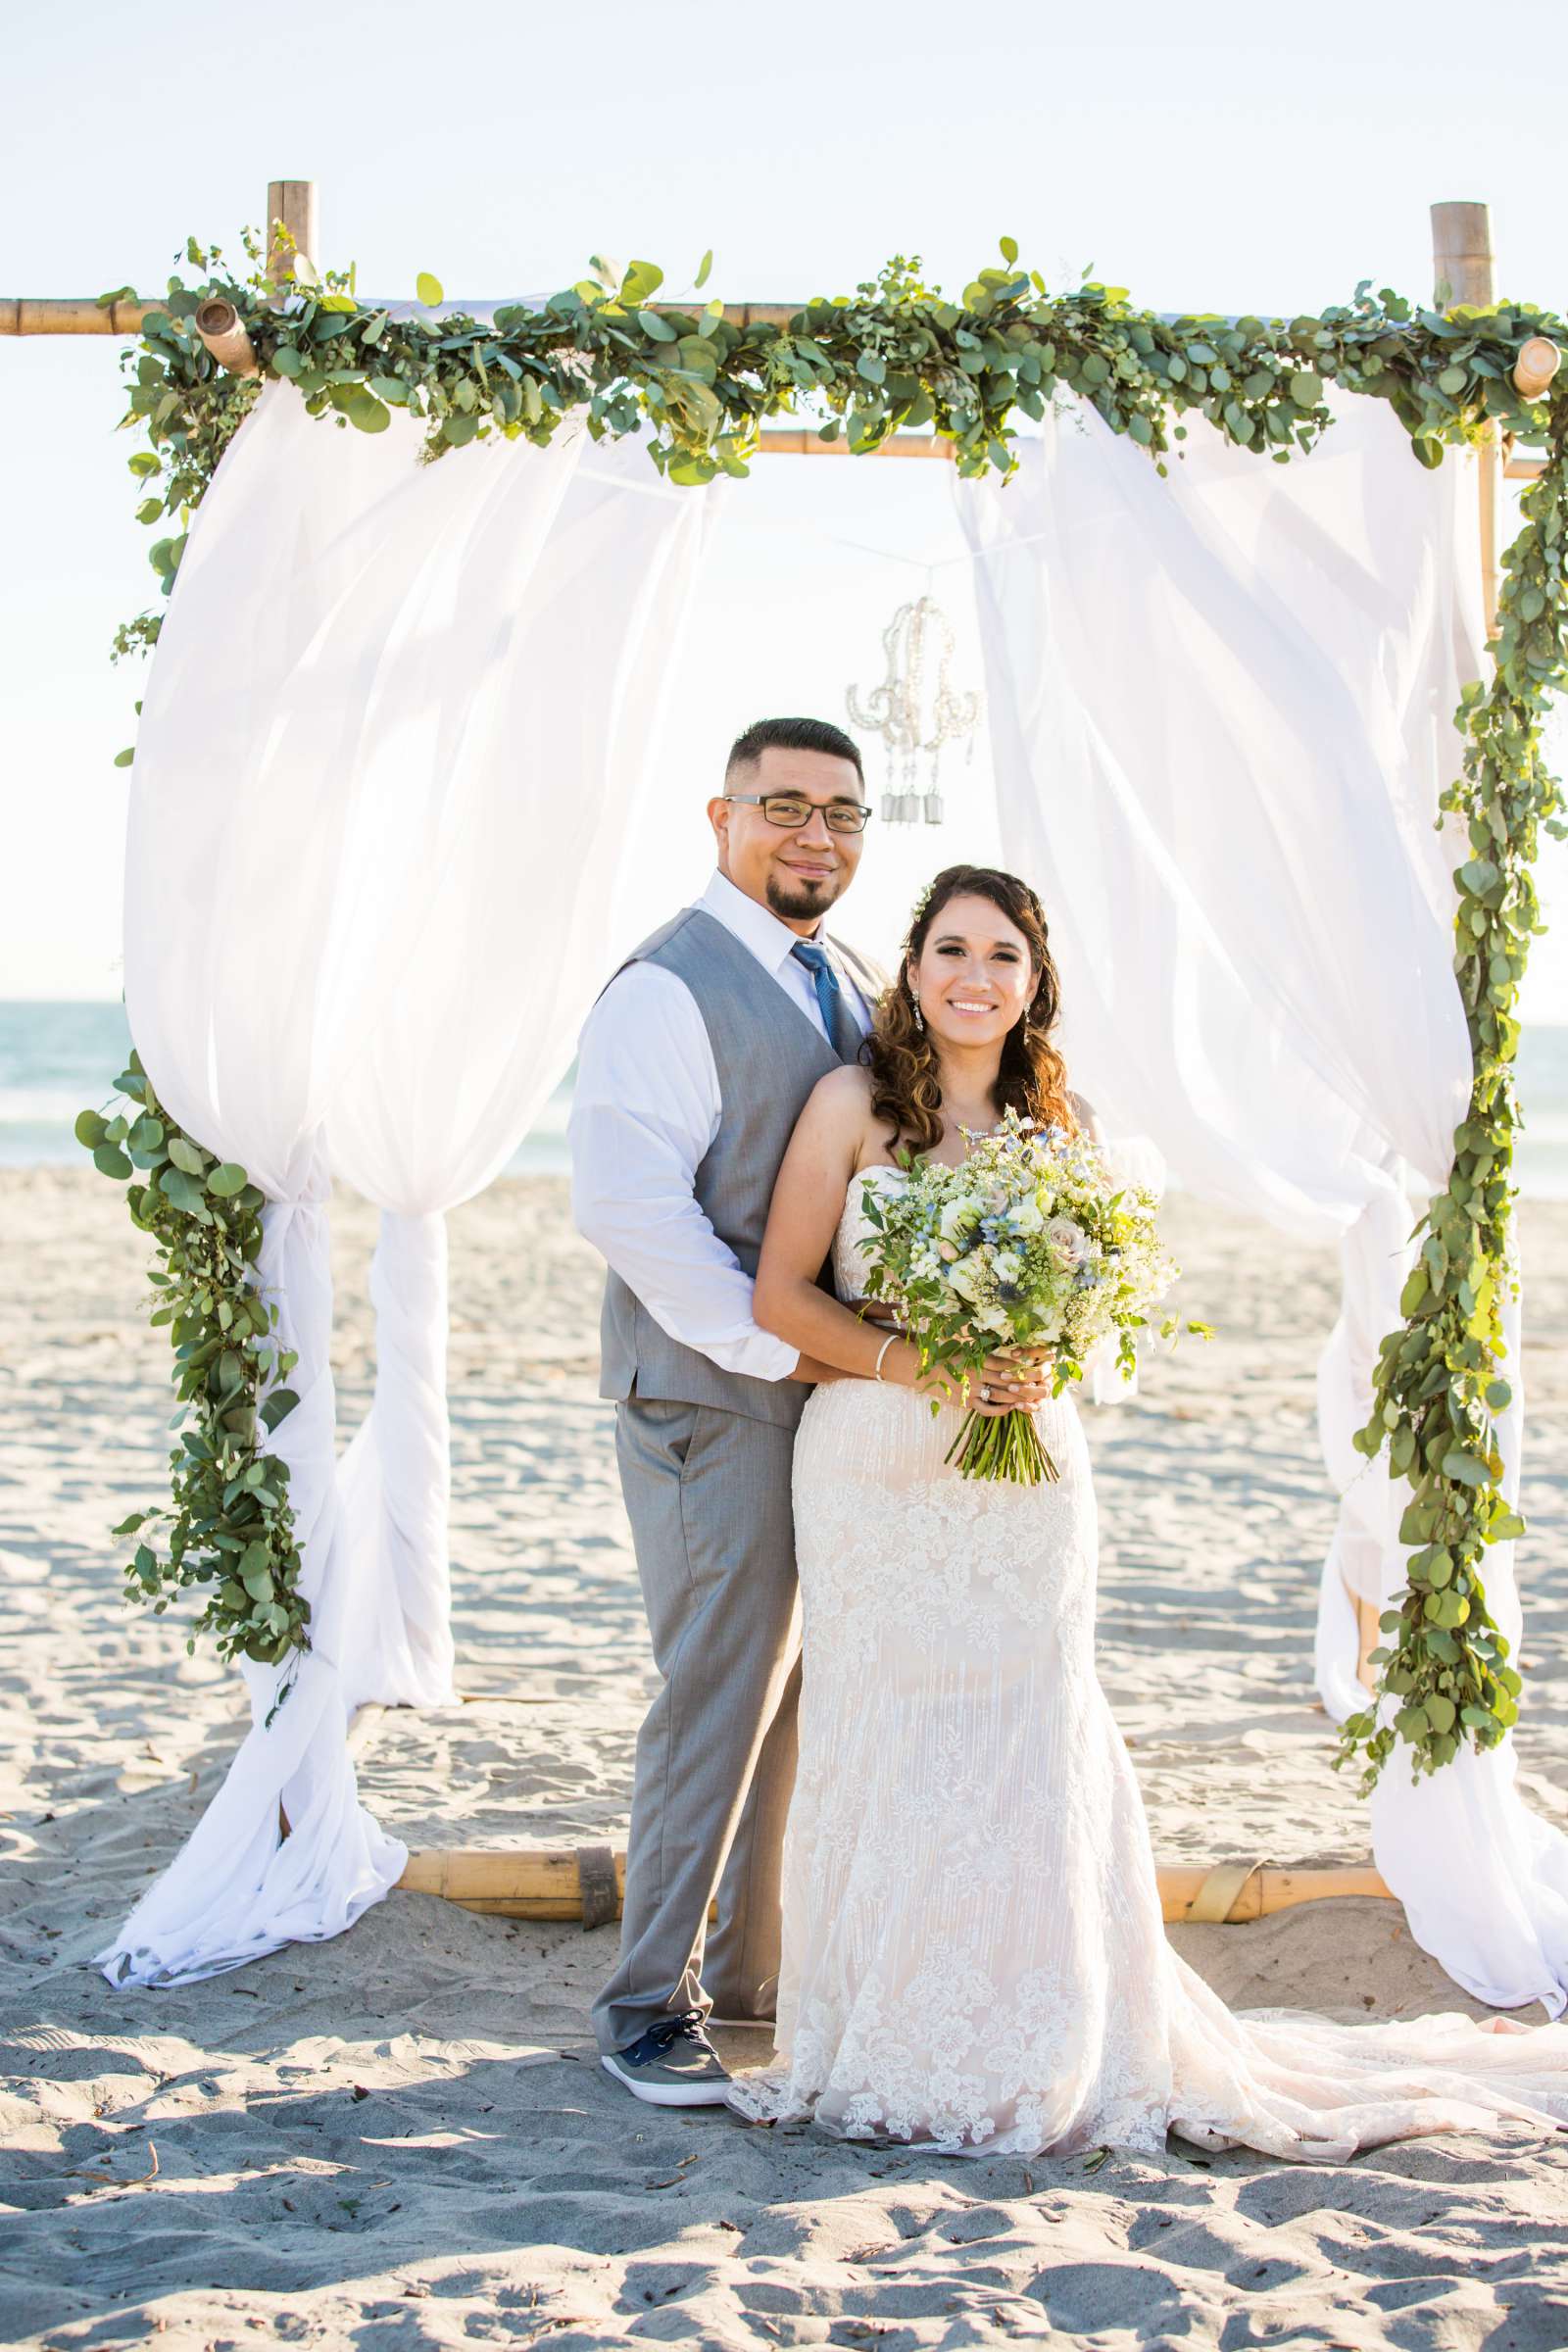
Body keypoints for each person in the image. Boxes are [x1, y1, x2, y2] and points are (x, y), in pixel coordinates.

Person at [726, 860, 1568, 2161]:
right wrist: (925, 1362)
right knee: (880, 1733)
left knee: (1025, 1738)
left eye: (1002, 955)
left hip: (1025, 1471)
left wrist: (1039, 1356)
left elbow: (1089, 1325)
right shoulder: (849, 1106)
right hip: (871, 1463)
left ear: (1034, 981)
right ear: (911, 969)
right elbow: (783, 1300)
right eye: (950, 948)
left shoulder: (1064, 1129)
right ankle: (881, 2029)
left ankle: (1042, 2025)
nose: (973, 975)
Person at [570, 722, 1050, 2108]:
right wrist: (782, 1354)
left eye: (843, 813)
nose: (816, 834)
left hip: (833, 1412)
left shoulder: (843, 973)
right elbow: (630, 1209)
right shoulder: (664, 988)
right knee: (719, 1689)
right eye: (784, 806)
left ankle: (755, 1973)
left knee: (801, 1698)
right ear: (720, 814)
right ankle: (644, 2005)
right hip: (710, 1398)